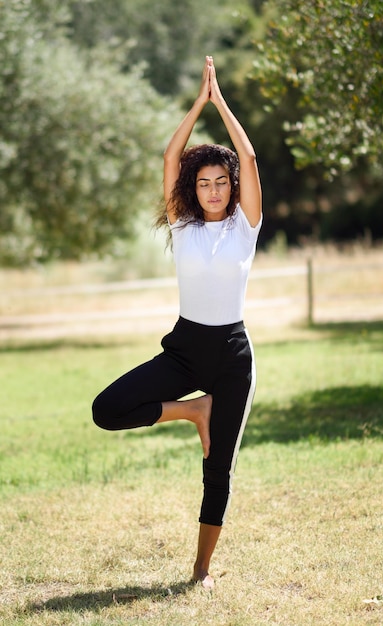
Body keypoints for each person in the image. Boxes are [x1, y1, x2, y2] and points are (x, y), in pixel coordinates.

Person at [92, 56, 262, 590]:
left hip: (232, 355)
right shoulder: (183, 224)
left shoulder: (246, 228)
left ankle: (201, 570)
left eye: (221, 182)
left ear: (232, 187)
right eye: (204, 182)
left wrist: (222, 103)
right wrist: (198, 103)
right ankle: (192, 410)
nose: (212, 190)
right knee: (106, 409)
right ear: (194, 187)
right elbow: (171, 155)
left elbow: (249, 155)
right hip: (185, 349)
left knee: (219, 470)